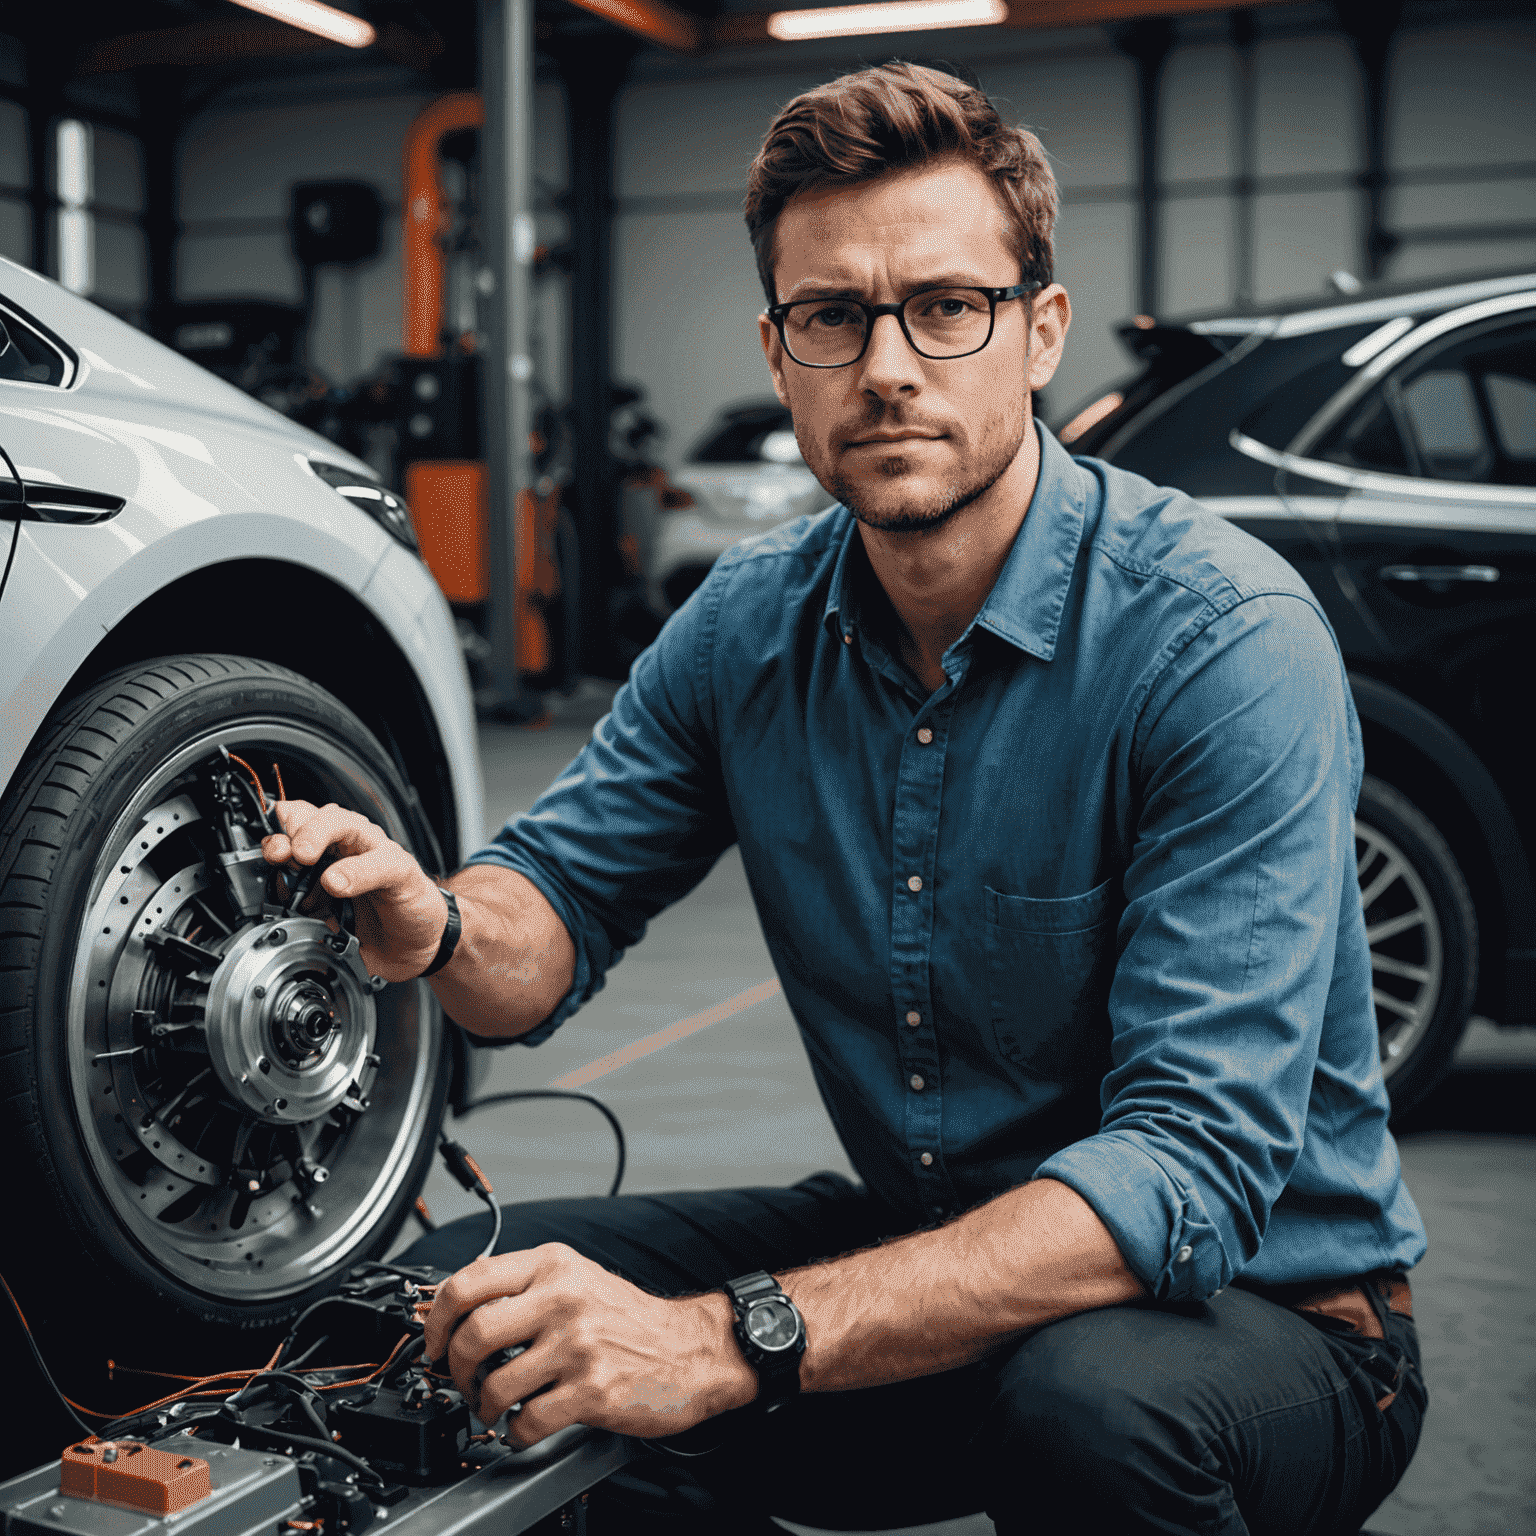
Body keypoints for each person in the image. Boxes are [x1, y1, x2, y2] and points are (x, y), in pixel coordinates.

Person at [264, 63, 1427, 1536]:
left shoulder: (1220, 640)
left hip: (1267, 1322)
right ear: (780, 349)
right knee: (470, 1320)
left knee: (1088, 1410)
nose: (888, 367)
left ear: (1039, 331)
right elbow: (543, 921)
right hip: (936, 1259)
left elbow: (1183, 1173)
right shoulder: (743, 633)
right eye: (833, 317)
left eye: (946, 307)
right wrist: (434, 921)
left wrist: (718, 1340)